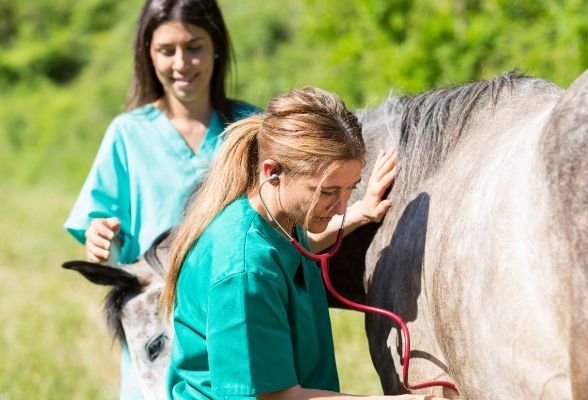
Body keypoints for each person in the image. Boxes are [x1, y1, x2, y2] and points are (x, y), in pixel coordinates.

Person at [161, 87, 447, 400]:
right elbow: (275, 398)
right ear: (272, 172)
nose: (340, 205)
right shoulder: (243, 271)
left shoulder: (274, 220)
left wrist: (360, 213)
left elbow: (296, 246)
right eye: (327, 192)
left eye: (350, 188)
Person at [64, 0, 257, 398]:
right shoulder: (127, 135)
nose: (182, 62)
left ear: (217, 46)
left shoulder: (249, 129)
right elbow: (99, 224)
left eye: (194, 46)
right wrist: (99, 235)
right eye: (167, 50)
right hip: (156, 326)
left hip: (234, 315)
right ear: (147, 55)